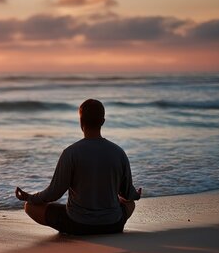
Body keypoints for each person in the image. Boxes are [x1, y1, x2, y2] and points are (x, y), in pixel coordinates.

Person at [15, 99, 142, 235]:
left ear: (81, 121)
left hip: (78, 225)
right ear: (103, 121)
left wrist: (30, 197)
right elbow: (128, 193)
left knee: (29, 207)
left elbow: (54, 193)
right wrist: (136, 195)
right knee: (130, 203)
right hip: (113, 224)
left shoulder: (71, 153)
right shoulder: (118, 152)